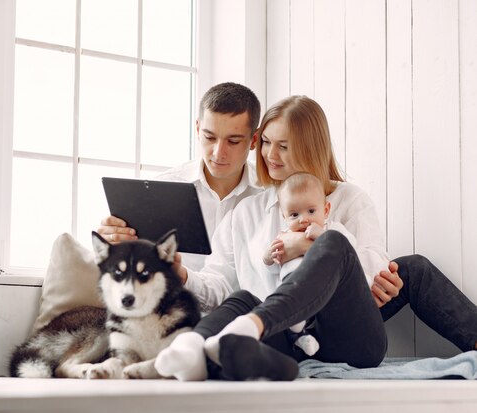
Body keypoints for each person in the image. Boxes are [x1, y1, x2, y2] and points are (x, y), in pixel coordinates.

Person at [153, 95, 477, 382]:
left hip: (345, 338)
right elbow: (219, 283)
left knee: (382, 258)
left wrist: (310, 244)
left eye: (283, 145)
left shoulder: (350, 200)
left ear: (310, 147)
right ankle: (190, 350)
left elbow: (374, 273)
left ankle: (252, 325)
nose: (269, 154)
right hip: (283, 339)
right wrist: (182, 276)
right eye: (265, 142)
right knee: (239, 299)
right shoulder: (246, 211)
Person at [97, 82, 263, 272]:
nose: (218, 153)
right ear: (198, 129)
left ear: (254, 141)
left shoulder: (273, 195)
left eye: (233, 141)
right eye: (209, 137)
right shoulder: (160, 189)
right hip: (175, 298)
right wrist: (113, 243)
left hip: (248, 301)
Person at [262, 171, 360, 357]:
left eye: (311, 211)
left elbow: (348, 249)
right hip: (292, 289)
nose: (303, 219)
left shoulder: (332, 229)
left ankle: (300, 328)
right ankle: (300, 337)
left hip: (324, 295)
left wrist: (323, 237)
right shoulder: (284, 236)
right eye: (294, 214)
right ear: (284, 216)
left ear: (326, 210)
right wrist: (268, 256)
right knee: (290, 318)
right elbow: (272, 266)